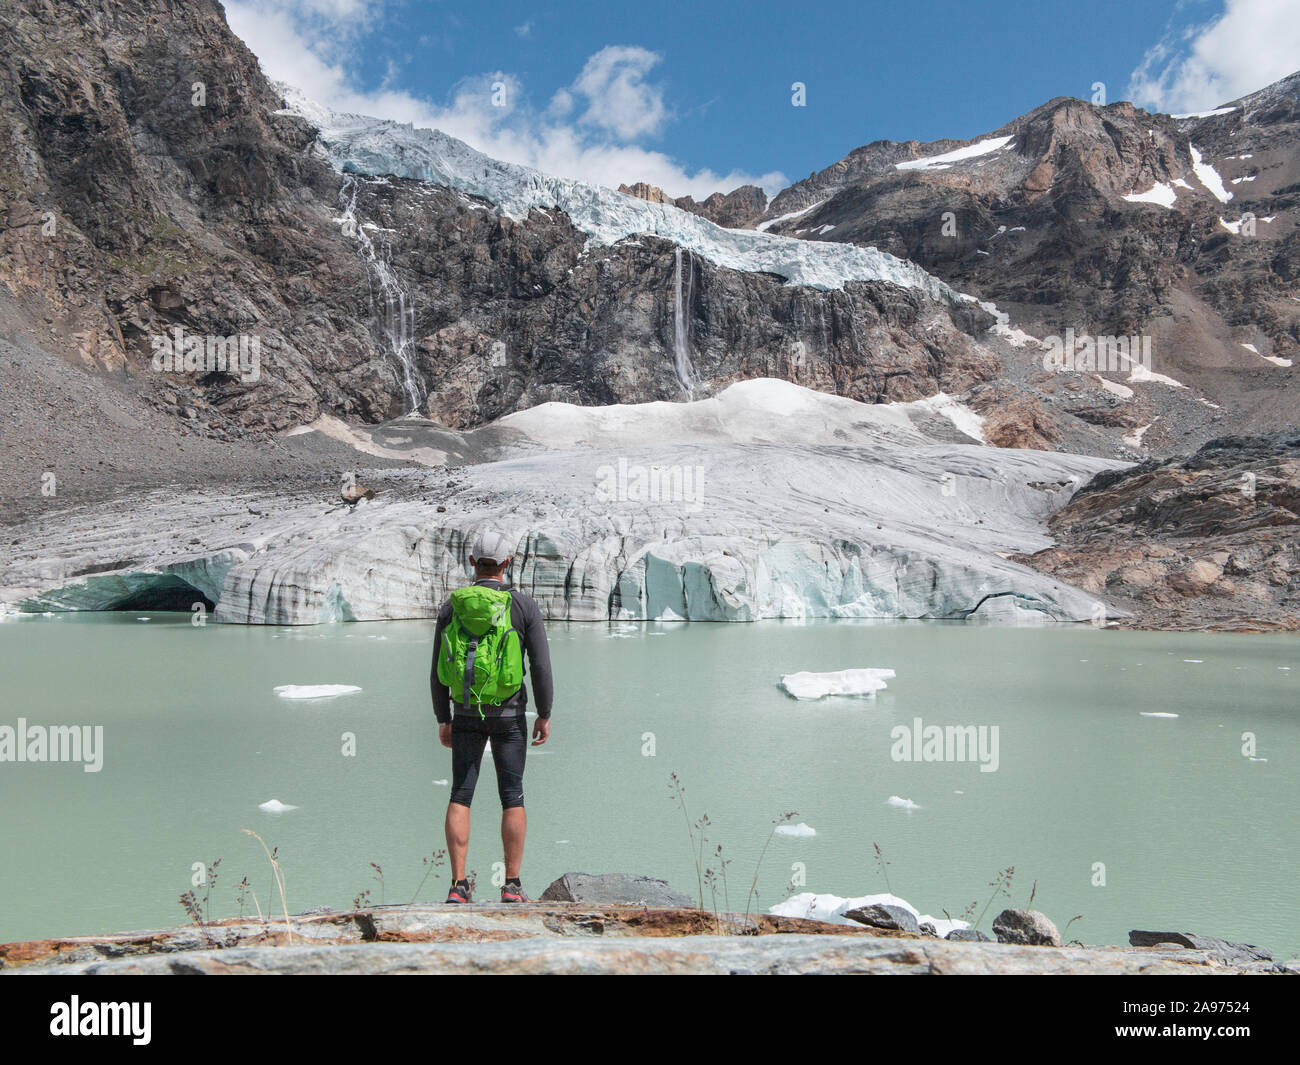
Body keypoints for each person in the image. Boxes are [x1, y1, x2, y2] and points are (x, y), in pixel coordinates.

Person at [431, 529, 552, 904]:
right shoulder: (522, 606)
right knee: (512, 796)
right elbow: (541, 666)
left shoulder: (453, 606)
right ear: (507, 563)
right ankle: (512, 886)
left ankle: (458, 885)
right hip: (510, 714)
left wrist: (443, 717)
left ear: (472, 563)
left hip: (465, 711)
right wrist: (544, 714)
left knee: (460, 795)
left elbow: (436, 668)